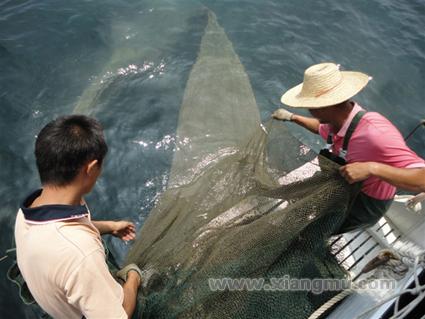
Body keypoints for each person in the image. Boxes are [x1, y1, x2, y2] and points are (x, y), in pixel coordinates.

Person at [14, 115, 143, 319]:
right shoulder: (81, 255)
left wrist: (111, 226)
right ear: (90, 169)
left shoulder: (29, 209)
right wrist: (133, 276)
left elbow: (63, 234)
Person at [273, 62, 425, 233]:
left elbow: (422, 179)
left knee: (313, 232)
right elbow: (320, 129)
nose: (309, 111)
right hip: (343, 190)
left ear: (325, 106)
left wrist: (372, 168)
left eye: (310, 107)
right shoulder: (335, 122)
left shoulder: (376, 133)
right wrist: (292, 117)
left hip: (364, 205)